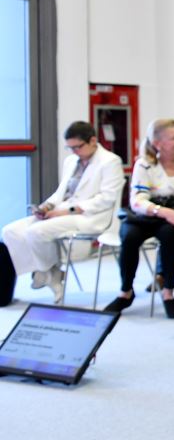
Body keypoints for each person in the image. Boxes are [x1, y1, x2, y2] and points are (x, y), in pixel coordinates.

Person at [0, 122, 124, 306]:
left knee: (35, 232)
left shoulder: (110, 161)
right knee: (10, 231)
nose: (74, 152)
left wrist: (64, 211)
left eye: (77, 147)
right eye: (70, 147)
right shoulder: (71, 161)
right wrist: (46, 207)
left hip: (91, 216)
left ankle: (49, 275)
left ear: (92, 140)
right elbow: (61, 193)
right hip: (65, 211)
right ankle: (50, 272)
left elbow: (106, 199)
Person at [105, 118, 174, 318]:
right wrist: (166, 212)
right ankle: (125, 292)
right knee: (129, 235)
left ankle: (168, 292)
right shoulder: (144, 165)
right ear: (158, 144)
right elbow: (137, 202)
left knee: (169, 234)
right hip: (151, 213)